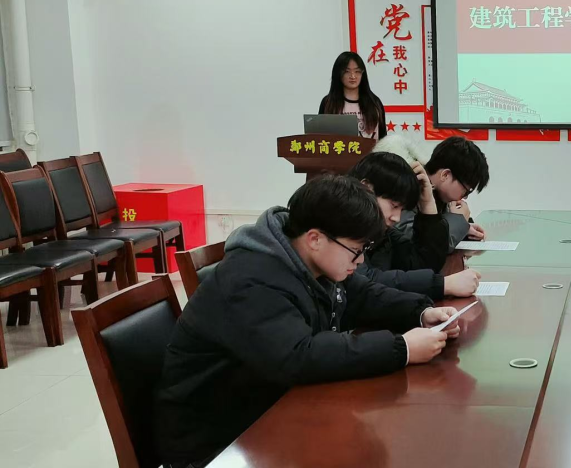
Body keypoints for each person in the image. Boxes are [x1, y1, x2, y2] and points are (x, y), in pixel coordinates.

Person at [153, 175, 461, 467]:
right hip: (218, 443)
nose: (360, 261)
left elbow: (363, 295)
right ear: (315, 239)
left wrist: (421, 312)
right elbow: (298, 355)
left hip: (269, 409)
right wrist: (401, 348)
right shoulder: (251, 279)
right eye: (355, 251)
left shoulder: (308, 260)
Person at [350, 151, 482, 300]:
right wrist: (442, 285)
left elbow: (423, 263)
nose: (397, 218)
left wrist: (427, 203)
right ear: (367, 188)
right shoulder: (340, 225)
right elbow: (364, 282)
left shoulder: (384, 234)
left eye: (401, 209)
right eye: (394, 205)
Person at [364, 134, 491, 274]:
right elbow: (414, 245)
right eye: (466, 190)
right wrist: (457, 221)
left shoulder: (440, 197)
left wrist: (465, 228)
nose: (465, 197)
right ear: (445, 175)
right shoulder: (412, 187)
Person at [319, 51, 386, 140]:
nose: (353, 76)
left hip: (371, 149)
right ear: (338, 73)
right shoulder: (328, 102)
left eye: (357, 71)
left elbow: (383, 138)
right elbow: (320, 138)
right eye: (347, 71)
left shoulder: (374, 102)